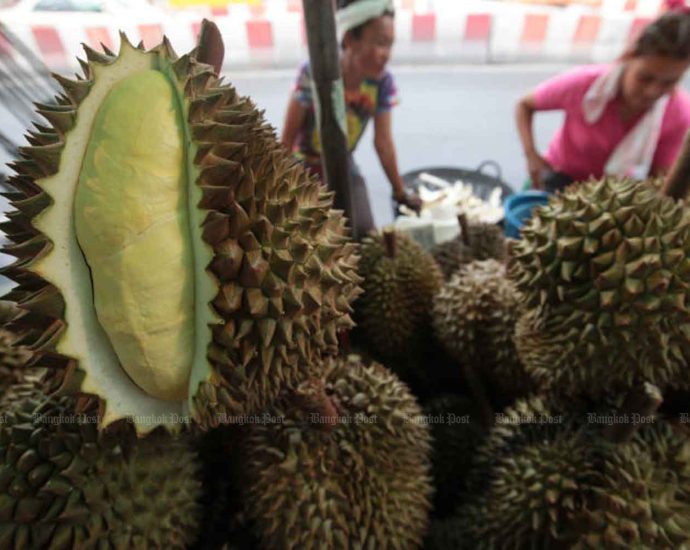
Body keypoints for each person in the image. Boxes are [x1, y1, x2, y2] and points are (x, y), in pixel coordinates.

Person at [280, 0, 421, 236]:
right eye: (380, 43)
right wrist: (278, 192)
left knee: (365, 233)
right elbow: (285, 141)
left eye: (390, 45)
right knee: (307, 239)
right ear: (349, 40)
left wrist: (401, 193)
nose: (386, 54)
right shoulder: (313, 73)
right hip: (300, 166)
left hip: (343, 164)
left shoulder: (382, 83)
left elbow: (383, 143)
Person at [516, 4, 690, 192]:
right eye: (645, 78)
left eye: (669, 82)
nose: (653, 91)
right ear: (628, 57)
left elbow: (659, 176)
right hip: (557, 177)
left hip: (612, 195)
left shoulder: (678, 113)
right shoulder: (584, 85)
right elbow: (524, 105)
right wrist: (531, 156)